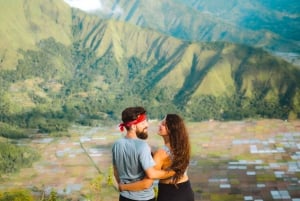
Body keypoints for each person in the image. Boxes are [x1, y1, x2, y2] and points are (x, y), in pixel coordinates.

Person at [119, 114, 195, 201]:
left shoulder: (161, 153)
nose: (159, 125)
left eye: (163, 124)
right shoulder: (183, 148)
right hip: (186, 190)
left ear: (170, 129)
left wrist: (124, 187)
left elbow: (147, 183)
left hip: (170, 194)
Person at [112, 107, 175, 201]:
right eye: (143, 122)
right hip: (143, 198)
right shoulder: (142, 146)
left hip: (124, 197)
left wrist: (123, 187)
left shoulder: (116, 144)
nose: (147, 125)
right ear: (133, 126)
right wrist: (173, 172)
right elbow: (147, 182)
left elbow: (116, 172)